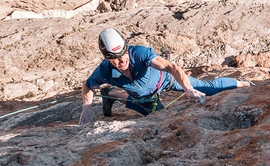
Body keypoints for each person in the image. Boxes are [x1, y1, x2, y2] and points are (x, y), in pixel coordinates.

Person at [79, 28, 254, 125]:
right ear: (107, 58)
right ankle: (113, 95)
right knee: (161, 120)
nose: (122, 60)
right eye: (115, 59)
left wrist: (188, 89)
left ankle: (245, 84)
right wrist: (86, 107)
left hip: (166, 81)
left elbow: (171, 67)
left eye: (123, 54)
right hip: (143, 97)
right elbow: (88, 86)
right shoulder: (104, 71)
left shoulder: (139, 54)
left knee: (208, 88)